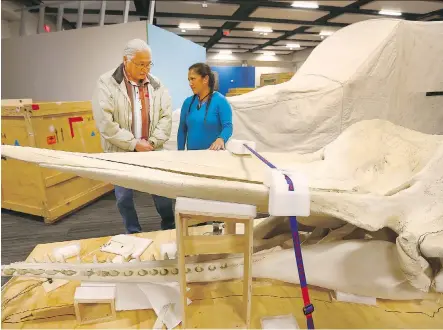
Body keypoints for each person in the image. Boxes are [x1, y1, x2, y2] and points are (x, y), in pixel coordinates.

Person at [91, 38, 175, 233]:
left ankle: (169, 226)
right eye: (140, 64)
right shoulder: (107, 83)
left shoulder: (157, 84)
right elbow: (105, 122)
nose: (145, 69)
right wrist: (133, 144)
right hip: (121, 152)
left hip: (152, 150)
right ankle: (133, 231)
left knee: (162, 192)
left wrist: (152, 142)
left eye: (148, 64)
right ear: (126, 60)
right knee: (123, 197)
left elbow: (166, 117)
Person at [177, 63, 233, 151]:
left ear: (205, 79)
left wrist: (221, 139)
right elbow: (182, 130)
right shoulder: (188, 102)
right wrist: (179, 153)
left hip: (213, 157)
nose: (190, 83)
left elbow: (228, 126)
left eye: (193, 79)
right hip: (191, 157)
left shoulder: (220, 101)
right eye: (189, 80)